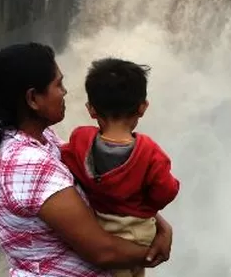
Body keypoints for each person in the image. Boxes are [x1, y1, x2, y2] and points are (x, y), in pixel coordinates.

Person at [0, 42, 172, 277]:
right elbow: (101, 252)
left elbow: (100, 182)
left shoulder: (38, 137)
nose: (65, 92)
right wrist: (155, 250)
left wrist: (154, 220)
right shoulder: (28, 163)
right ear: (33, 98)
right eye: (59, 84)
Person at [60, 58, 180, 277]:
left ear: (91, 109)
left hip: (103, 230)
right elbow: (166, 192)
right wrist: (145, 205)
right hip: (139, 233)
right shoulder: (151, 153)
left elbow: (65, 162)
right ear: (143, 107)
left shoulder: (80, 140)